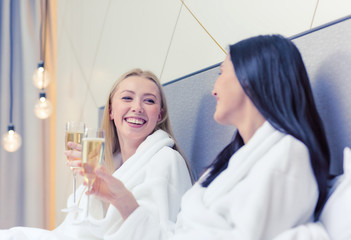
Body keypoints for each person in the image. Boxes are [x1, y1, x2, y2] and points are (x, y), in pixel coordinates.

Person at [88, 34, 331, 240]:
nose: (214, 88)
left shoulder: (288, 157)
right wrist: (122, 199)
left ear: (252, 78)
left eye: (221, 72)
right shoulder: (234, 162)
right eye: (127, 98)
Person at [0, 68, 193, 239]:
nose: (137, 107)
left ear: (159, 114)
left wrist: (117, 196)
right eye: (127, 97)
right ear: (110, 110)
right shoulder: (111, 166)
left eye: (149, 101)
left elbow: (158, 234)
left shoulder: (167, 160)